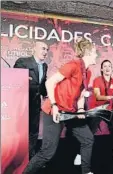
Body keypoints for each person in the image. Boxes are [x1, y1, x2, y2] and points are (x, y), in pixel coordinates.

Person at [23, 38, 97, 174]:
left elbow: (81, 93)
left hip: (69, 112)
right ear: (87, 52)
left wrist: (80, 108)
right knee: (47, 153)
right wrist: (55, 105)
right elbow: (50, 83)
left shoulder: (88, 72)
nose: (96, 55)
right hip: (54, 111)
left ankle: (86, 171)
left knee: (88, 139)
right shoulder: (73, 65)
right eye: (94, 52)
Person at [14, 41, 49, 159]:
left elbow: (42, 83)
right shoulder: (23, 62)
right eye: (43, 48)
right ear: (34, 48)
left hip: (35, 103)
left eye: (47, 50)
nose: (45, 52)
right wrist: (22, 78)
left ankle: (31, 157)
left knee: (34, 131)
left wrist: (46, 94)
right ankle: (18, 158)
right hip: (22, 103)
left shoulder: (45, 65)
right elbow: (14, 79)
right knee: (20, 132)